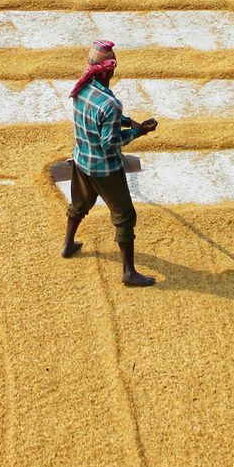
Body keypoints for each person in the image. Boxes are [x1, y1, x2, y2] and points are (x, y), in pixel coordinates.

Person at [62, 39, 159, 287]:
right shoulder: (111, 104)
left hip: (82, 160)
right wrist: (138, 132)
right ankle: (129, 272)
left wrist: (128, 121)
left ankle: (68, 244)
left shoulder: (82, 88)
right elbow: (110, 142)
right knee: (124, 215)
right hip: (105, 170)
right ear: (110, 71)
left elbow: (100, 118)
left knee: (79, 204)